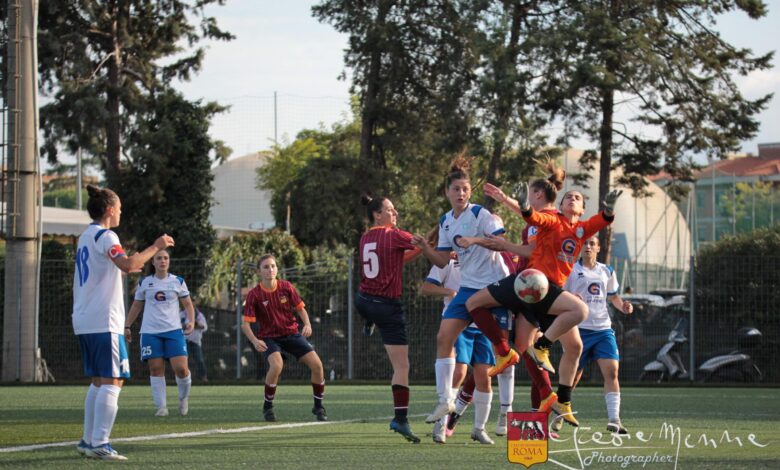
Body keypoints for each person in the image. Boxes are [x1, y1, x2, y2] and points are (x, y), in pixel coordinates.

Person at [463, 172, 623, 428]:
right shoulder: (553, 221)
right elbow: (533, 216)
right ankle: (527, 358)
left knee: (565, 335)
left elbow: (600, 222)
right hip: (532, 282)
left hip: (547, 293)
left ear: (581, 209)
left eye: (578, 197)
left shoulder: (580, 229)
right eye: (568, 196)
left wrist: (608, 210)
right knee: (574, 316)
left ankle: (558, 397)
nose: (572, 197)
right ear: (559, 207)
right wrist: (520, 205)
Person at [412, 155, 513, 442]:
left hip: (494, 288)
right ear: (447, 192)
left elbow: (501, 243)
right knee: (444, 338)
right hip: (469, 288)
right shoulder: (445, 221)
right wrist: (424, 248)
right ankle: (445, 399)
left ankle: (491, 420)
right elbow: (443, 261)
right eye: (456, 189)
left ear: (470, 193)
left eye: (465, 189)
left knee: (494, 362)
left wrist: (475, 240)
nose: (461, 193)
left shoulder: (481, 215)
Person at [72, 184, 174, 460]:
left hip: (85, 318)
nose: (120, 212)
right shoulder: (107, 235)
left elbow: (116, 267)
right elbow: (127, 264)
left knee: (98, 381)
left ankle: (87, 440)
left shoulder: (85, 236)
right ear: (109, 210)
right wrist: (157, 246)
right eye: (119, 208)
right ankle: (100, 443)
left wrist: (126, 266)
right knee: (113, 380)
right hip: (104, 319)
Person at [355, 195, 422, 443]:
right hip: (386, 306)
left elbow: (400, 258)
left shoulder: (365, 237)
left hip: (363, 301)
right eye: (390, 210)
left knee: (368, 304)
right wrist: (435, 237)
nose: (395, 214)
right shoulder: (393, 235)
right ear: (377, 214)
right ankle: (400, 419)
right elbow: (419, 243)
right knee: (402, 367)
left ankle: (368, 320)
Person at [419, 251, 495, 445]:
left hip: (483, 324)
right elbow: (425, 288)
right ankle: (442, 424)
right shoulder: (448, 262)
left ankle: (479, 429)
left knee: (484, 377)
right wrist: (449, 292)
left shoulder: (488, 261)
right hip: (458, 323)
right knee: (459, 371)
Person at [241, 254, 328, 423]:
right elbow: (246, 325)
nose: (270, 269)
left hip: (291, 334)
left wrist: (307, 324)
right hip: (269, 337)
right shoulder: (254, 295)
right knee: (277, 366)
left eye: (273, 266)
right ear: (259, 272)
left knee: (317, 365)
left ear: (277, 269)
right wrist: (254, 340)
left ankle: (318, 407)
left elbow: (300, 309)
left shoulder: (286, 287)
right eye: (266, 267)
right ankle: (268, 407)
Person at [565, 236, 633, 434]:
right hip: (579, 329)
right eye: (585, 243)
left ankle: (614, 420)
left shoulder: (607, 270)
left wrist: (624, 306)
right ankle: (561, 414)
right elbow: (561, 296)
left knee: (612, 372)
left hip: (603, 329)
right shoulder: (571, 270)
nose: (588, 247)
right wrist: (571, 298)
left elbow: (613, 297)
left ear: (598, 248)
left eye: (592, 244)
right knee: (573, 377)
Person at [125, 249, 195, 417]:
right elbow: (136, 306)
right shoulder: (144, 282)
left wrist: (191, 321)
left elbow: (188, 305)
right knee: (156, 369)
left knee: (181, 369)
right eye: (159, 258)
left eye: (166, 258)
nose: (163, 261)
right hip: (150, 332)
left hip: (174, 331)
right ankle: (161, 407)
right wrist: (127, 325)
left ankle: (183, 398)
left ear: (169, 261)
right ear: (153, 262)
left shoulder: (178, 281)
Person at [181, 307, 209, 382]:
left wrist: (196, 324)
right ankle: (185, 377)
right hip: (185, 341)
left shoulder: (199, 315)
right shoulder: (182, 314)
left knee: (199, 360)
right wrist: (185, 326)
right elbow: (178, 326)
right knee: (184, 360)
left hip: (195, 342)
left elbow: (204, 327)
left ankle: (203, 377)